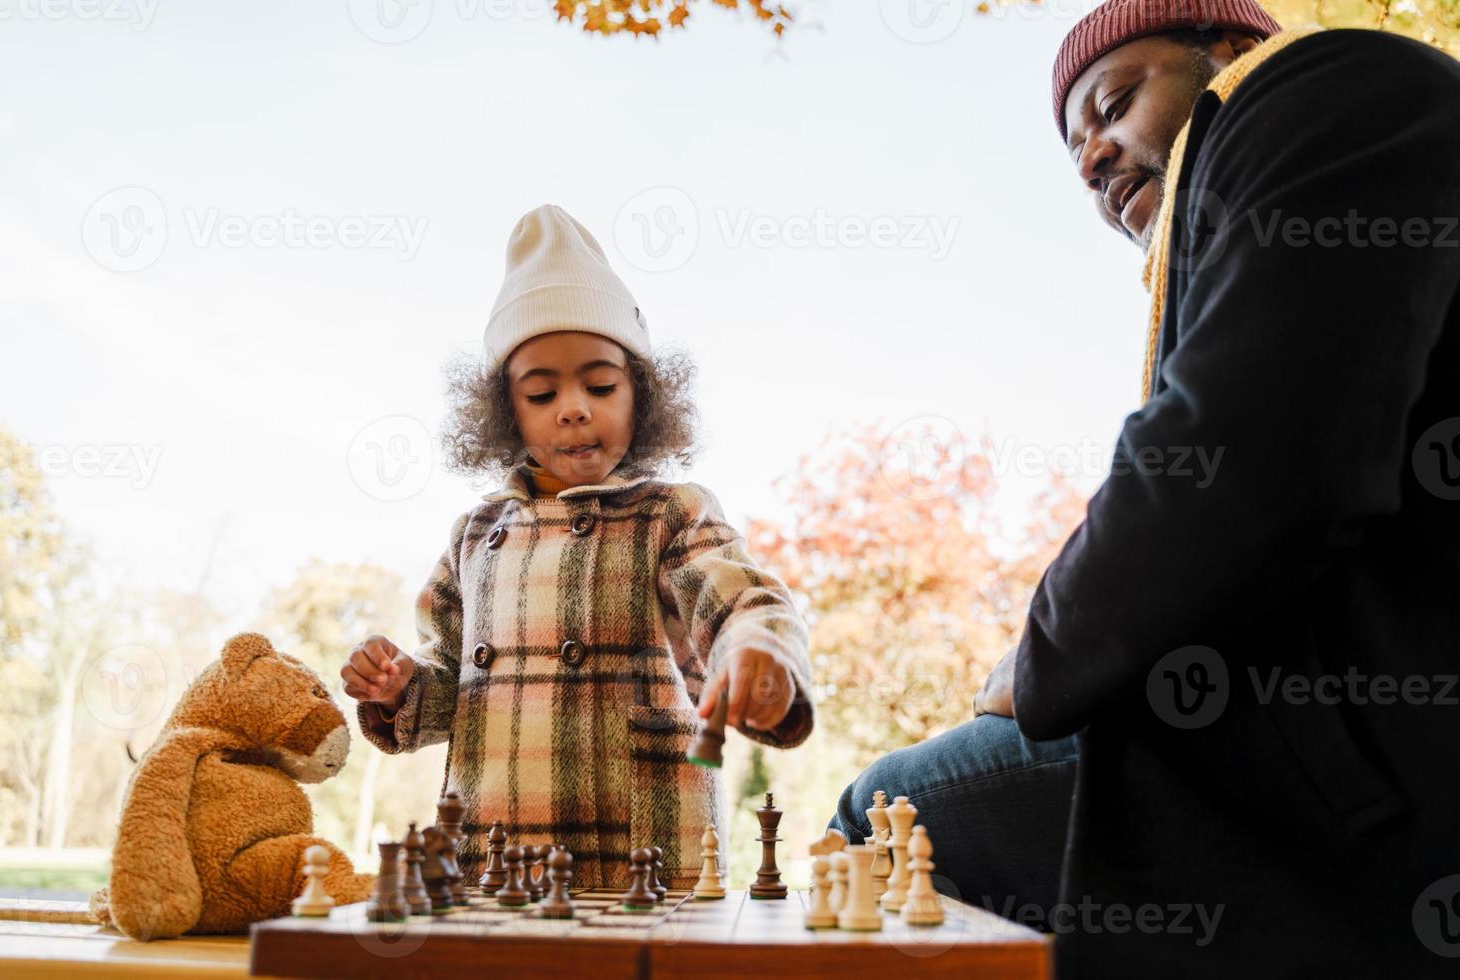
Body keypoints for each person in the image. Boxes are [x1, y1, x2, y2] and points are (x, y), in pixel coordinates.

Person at [834, 1, 1460, 976]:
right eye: (1076, 149)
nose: (1092, 159)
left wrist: (1036, 659)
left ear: (1233, 49)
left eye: (1114, 102)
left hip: (1375, 770)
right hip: (1342, 748)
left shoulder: (1326, 89)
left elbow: (1248, 456)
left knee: (881, 812)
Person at [342, 204, 814, 888]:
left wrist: (759, 654)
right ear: (507, 412)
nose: (574, 407)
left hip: (648, 858)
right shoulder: (475, 537)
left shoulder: (669, 514)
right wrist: (400, 688)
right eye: (541, 392)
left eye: (599, 384)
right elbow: (449, 684)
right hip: (494, 857)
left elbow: (741, 601)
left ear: (643, 397)